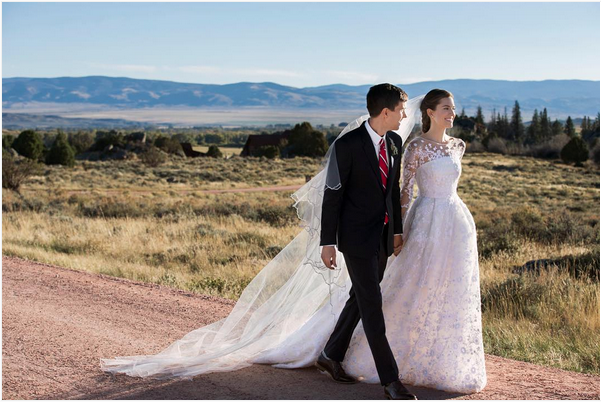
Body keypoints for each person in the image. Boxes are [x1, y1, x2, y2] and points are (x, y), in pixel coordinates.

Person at [101, 87, 487, 397]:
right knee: (371, 302)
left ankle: (330, 353)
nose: (405, 116)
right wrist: (327, 242)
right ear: (385, 111)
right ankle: (391, 380)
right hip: (352, 237)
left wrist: (398, 230)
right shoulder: (347, 145)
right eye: (401, 110)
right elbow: (333, 196)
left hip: (383, 236)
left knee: (360, 297)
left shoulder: (393, 146)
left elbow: (392, 195)